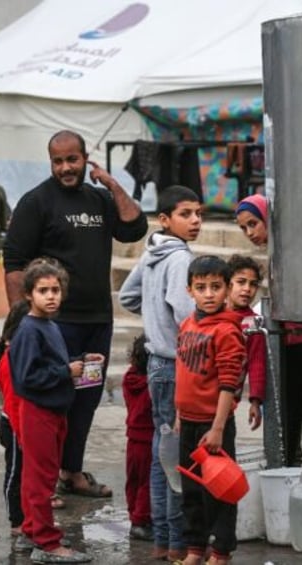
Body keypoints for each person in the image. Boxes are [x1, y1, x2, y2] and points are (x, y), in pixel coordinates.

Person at [3, 130, 148, 504]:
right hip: (54, 327)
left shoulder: (100, 199)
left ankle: (71, 472)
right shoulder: (36, 202)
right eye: (58, 161)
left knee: (86, 399)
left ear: (86, 159)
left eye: (73, 160)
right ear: (50, 162)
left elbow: (134, 227)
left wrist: (113, 183)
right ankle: (43, 481)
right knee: (52, 402)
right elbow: (15, 264)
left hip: (97, 322)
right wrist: (19, 325)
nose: (66, 168)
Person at [118, 184, 203, 562]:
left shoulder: (153, 250)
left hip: (156, 362)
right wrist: (168, 324)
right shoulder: (180, 258)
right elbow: (188, 317)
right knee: (176, 457)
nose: (196, 221)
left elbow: (129, 296)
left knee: (160, 453)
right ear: (165, 219)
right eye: (186, 214)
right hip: (175, 364)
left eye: (198, 213)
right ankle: (178, 543)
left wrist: (154, 320)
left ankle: (163, 541)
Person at [235, 194, 302, 466]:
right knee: (295, 413)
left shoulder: (290, 251)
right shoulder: (276, 251)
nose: (249, 232)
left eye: (253, 224)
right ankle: (293, 470)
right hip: (295, 341)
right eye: (244, 228)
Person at [8, 258, 91, 564]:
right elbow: (27, 377)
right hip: (38, 411)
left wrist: (80, 362)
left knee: (41, 474)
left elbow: (51, 364)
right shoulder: (29, 329)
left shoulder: (49, 325)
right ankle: (46, 542)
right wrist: (64, 372)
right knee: (41, 478)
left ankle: (32, 529)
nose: (51, 296)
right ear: (29, 294)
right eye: (43, 290)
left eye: (56, 289)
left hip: (55, 411)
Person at [175, 255, 246, 565]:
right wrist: (179, 414)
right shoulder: (187, 324)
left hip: (212, 426)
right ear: (190, 290)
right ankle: (195, 548)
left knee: (219, 492)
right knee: (191, 492)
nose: (208, 294)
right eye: (201, 287)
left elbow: (228, 384)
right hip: (188, 422)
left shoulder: (228, 331)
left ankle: (220, 552)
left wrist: (217, 428)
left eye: (216, 287)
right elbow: (183, 373)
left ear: (227, 289)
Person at [0, 300, 31, 539]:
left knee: (27, 474)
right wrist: (22, 434)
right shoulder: (10, 361)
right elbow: (14, 403)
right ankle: (16, 520)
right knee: (15, 473)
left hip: (23, 425)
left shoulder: (21, 356)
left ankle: (26, 516)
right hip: (15, 426)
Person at [226, 254, 265, 430]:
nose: (247, 289)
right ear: (227, 283)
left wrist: (255, 401)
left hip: (228, 403)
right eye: (241, 282)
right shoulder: (213, 315)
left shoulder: (254, 323)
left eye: (253, 284)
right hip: (200, 398)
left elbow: (257, 363)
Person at [122, 333, 155, 542]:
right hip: (149, 438)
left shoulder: (129, 378)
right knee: (147, 482)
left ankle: (134, 514)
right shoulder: (152, 383)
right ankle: (141, 521)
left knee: (134, 479)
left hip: (133, 438)